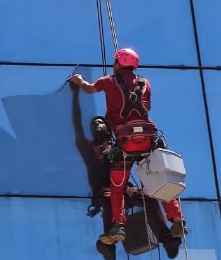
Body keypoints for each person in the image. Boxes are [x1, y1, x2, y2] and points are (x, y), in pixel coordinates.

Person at [69, 48, 186, 246]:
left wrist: (78, 81)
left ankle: (118, 226)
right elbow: (146, 108)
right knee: (159, 179)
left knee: (117, 187)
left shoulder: (108, 81)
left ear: (118, 63)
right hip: (148, 140)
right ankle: (176, 220)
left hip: (125, 144)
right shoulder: (145, 83)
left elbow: (89, 89)